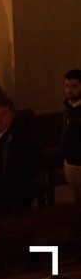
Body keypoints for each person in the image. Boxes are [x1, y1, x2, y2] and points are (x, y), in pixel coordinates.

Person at [0, 98, 41, 216]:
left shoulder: (22, 135)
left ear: (12, 115)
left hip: (18, 190)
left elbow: (34, 160)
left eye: (4, 113)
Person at [64, 69, 81, 203]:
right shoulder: (69, 107)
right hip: (70, 162)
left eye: (74, 86)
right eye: (67, 86)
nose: (70, 90)